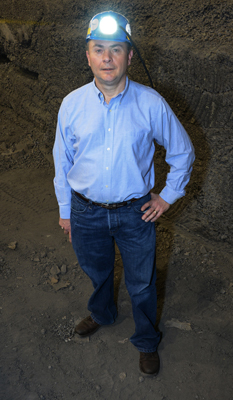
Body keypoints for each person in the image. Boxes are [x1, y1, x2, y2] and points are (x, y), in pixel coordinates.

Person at [53, 10, 195, 376]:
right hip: (86, 212)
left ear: (129, 55)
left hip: (135, 212)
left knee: (142, 283)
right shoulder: (72, 104)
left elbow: (183, 151)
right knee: (97, 272)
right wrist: (66, 210)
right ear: (87, 55)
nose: (107, 58)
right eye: (98, 48)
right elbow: (62, 161)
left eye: (116, 49)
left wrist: (167, 195)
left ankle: (147, 340)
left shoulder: (150, 104)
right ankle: (102, 313)